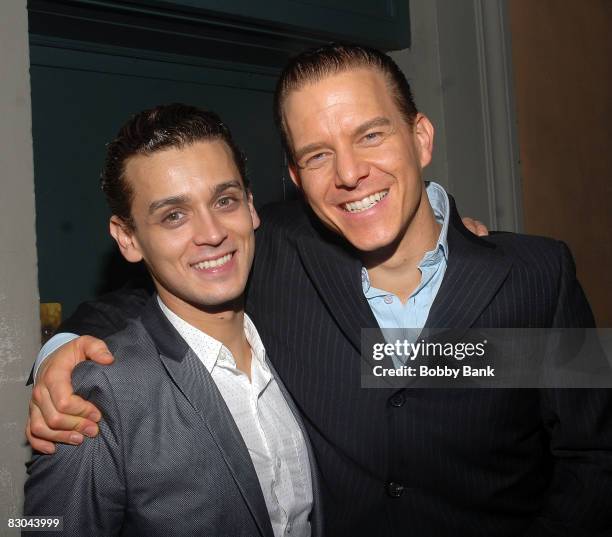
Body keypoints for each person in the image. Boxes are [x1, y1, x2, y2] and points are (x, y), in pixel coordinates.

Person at [27, 44, 612, 536]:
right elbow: (166, 288)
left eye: (371, 135)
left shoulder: (536, 274)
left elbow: (592, 453)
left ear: (421, 137)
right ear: (294, 177)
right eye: (318, 154)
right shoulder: (276, 252)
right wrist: (64, 347)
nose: (349, 172)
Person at [24, 104, 322, 537]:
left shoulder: (297, 336)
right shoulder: (97, 397)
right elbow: (38, 527)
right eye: (174, 216)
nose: (211, 232)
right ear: (128, 238)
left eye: (224, 200)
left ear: (251, 207)